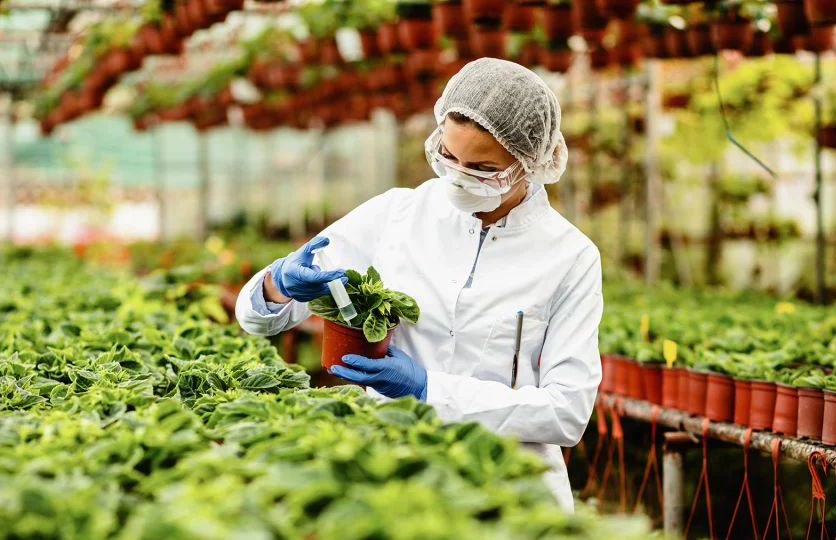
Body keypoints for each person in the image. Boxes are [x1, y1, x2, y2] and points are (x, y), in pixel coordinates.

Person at [236, 58, 603, 511]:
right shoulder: (396, 214)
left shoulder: (570, 256)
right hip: (393, 472)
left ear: (530, 163)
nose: (458, 176)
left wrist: (428, 389)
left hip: (509, 489)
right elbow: (257, 319)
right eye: (448, 156)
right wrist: (279, 284)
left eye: (483, 167)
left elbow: (567, 412)